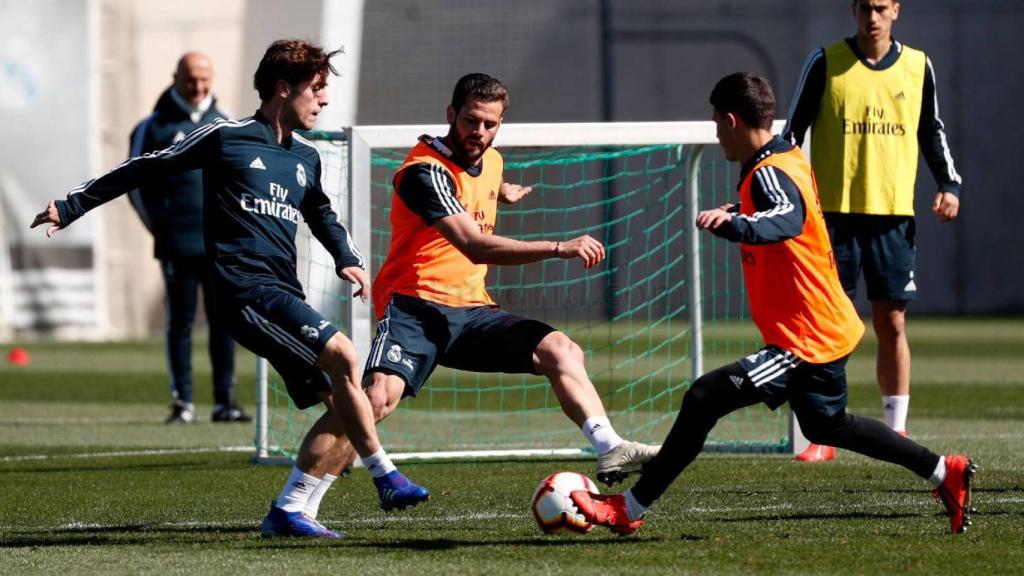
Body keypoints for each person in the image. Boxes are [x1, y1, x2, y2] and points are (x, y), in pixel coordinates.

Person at [31, 39, 428, 539]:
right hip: (241, 289)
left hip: (282, 291)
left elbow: (322, 214)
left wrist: (346, 258)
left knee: (350, 406)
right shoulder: (226, 135)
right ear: (284, 89)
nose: (324, 100)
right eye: (317, 89)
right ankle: (385, 475)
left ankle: (291, 510)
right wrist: (72, 205)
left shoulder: (305, 157)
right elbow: (147, 165)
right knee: (347, 357)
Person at [569, 73, 975, 536]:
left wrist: (735, 226)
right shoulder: (783, 153)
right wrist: (741, 213)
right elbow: (783, 210)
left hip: (804, 338)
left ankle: (630, 507)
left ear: (731, 119)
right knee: (829, 426)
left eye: (717, 124)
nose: (717, 133)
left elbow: (785, 216)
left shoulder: (768, 172)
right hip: (824, 326)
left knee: (703, 398)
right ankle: (945, 471)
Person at [264, 73, 659, 524]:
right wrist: (559, 247)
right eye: (472, 121)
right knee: (373, 402)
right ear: (451, 114)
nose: (480, 132)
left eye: (491, 124)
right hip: (415, 306)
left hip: (473, 311)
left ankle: (610, 448)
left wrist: (503, 194)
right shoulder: (421, 172)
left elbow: (479, 189)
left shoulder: (490, 161)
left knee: (561, 350)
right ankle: (295, 504)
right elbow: (473, 244)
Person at [782, 0, 962, 461]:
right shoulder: (825, 62)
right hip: (833, 219)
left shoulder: (919, 66)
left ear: (896, 10)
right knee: (827, 326)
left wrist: (949, 184)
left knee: (891, 322)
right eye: (865, 7)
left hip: (892, 216)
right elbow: (791, 134)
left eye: (881, 7)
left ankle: (896, 430)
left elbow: (931, 130)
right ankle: (822, 433)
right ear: (853, 10)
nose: (872, 16)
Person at [127, 51, 249, 424]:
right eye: (190, 79)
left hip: (221, 246)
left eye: (204, 80)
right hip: (176, 244)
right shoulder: (152, 126)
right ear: (175, 78)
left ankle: (224, 401)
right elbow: (135, 185)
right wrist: (160, 229)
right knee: (179, 323)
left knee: (224, 321)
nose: (198, 87)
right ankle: (183, 401)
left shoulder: (227, 123)